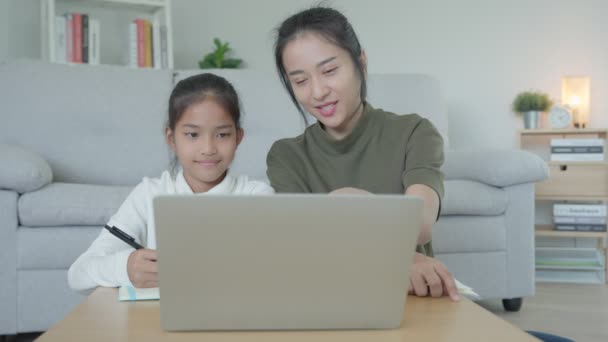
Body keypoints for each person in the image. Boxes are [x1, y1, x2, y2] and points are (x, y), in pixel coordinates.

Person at [266, 5, 459, 301]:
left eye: (329, 71)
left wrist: (345, 204)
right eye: (300, 81)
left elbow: (419, 224)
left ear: (361, 63)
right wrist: (399, 255)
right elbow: (303, 242)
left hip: (408, 296)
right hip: (323, 296)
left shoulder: (414, 132)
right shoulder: (286, 155)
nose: (317, 92)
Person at [68, 73, 274, 292]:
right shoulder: (149, 195)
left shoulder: (257, 196)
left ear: (238, 138)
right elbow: (78, 274)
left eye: (222, 135)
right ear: (171, 139)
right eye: (192, 135)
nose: (208, 148)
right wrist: (125, 267)